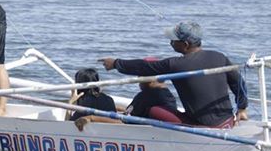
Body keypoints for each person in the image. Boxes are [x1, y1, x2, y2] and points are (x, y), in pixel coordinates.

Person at [99, 21, 248, 128]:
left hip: (204, 126)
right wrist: (242, 108)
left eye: (174, 40)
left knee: (154, 110)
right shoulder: (219, 56)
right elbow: (238, 81)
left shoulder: (176, 64)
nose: (171, 42)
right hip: (228, 120)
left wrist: (116, 63)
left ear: (185, 44)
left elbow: (144, 67)